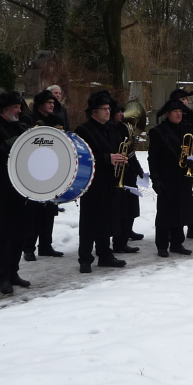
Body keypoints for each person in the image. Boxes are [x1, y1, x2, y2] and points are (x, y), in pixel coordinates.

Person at [0, 91, 33, 294]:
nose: (20, 110)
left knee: (20, 232)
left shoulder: (20, 126)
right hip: (3, 186)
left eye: (20, 107)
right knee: (4, 234)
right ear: (5, 109)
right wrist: (6, 145)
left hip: (23, 185)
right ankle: (3, 277)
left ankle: (14, 272)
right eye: (16, 107)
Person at [74, 90, 128, 273]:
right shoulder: (83, 130)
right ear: (94, 112)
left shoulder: (112, 127)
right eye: (104, 109)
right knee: (90, 221)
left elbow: (116, 150)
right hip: (92, 181)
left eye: (108, 108)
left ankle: (105, 255)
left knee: (108, 218)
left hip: (110, 180)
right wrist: (108, 158)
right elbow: (80, 157)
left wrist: (121, 158)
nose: (108, 111)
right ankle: (85, 258)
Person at [148, 98, 193, 257]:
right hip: (166, 177)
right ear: (168, 114)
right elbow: (153, 157)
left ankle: (177, 243)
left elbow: (191, 152)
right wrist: (155, 178)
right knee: (164, 212)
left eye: (181, 112)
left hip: (183, 177)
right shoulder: (158, 131)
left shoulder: (187, 129)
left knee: (181, 210)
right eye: (175, 112)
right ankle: (162, 245)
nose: (179, 114)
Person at [21, 89, 65, 261]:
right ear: (40, 104)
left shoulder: (56, 119)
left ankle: (46, 245)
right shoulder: (28, 120)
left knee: (50, 208)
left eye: (53, 102)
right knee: (33, 211)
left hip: (52, 166)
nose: (52, 104)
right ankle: (28, 248)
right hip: (35, 168)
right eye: (49, 102)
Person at [168, 88, 193, 240]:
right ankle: (173, 230)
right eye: (180, 100)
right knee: (175, 200)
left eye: (185, 100)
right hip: (175, 166)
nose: (184, 102)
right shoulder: (170, 121)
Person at [110, 99, 142, 253]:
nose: (122, 115)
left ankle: (125, 235)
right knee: (120, 210)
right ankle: (118, 241)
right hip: (114, 173)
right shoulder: (109, 129)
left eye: (122, 112)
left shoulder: (124, 128)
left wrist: (138, 169)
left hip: (128, 172)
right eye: (118, 112)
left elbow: (131, 151)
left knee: (131, 207)